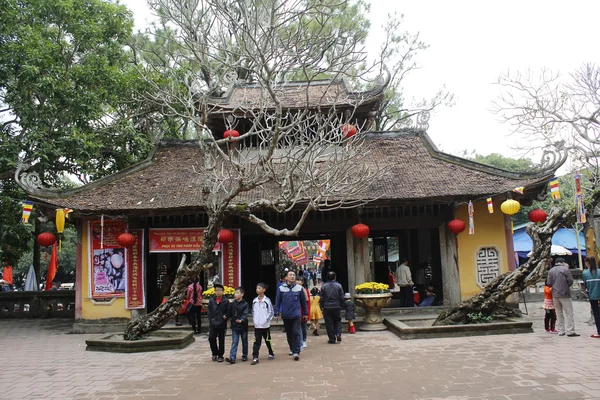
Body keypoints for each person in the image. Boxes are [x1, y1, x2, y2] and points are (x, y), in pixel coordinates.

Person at [274, 270, 308, 361]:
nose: (292, 277)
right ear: (286, 277)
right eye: (290, 275)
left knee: (296, 332)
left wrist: (305, 313)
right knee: (289, 333)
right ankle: (292, 348)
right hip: (286, 314)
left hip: (297, 314)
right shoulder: (281, 288)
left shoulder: (299, 288)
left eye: (293, 275)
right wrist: (276, 313)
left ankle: (296, 351)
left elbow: (303, 302)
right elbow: (277, 301)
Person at [547, 257, 579, 337]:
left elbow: (549, 282)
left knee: (558, 313)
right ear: (563, 262)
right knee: (569, 312)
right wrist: (566, 286)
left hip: (555, 294)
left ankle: (561, 331)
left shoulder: (551, 270)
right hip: (564, 294)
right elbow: (570, 280)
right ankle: (570, 331)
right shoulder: (565, 269)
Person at [251, 282, 275, 365]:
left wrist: (266, 320)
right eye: (257, 288)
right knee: (256, 341)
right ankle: (255, 357)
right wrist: (255, 320)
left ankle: (271, 352)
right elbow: (253, 311)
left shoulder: (267, 300)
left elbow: (271, 311)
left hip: (265, 325)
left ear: (264, 290)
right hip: (257, 325)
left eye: (259, 288)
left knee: (267, 340)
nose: (257, 290)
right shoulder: (254, 301)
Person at [320, 271, 345, 344]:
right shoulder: (339, 285)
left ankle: (332, 339)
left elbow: (321, 298)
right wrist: (341, 305)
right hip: (336, 305)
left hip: (327, 306)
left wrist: (322, 307)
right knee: (338, 320)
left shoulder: (324, 286)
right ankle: (338, 333)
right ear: (335, 277)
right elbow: (341, 297)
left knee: (329, 323)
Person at [226, 287, 249, 364]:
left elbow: (245, 314)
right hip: (235, 325)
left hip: (243, 326)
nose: (235, 295)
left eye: (237, 293)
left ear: (242, 294)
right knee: (235, 341)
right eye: (235, 293)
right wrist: (225, 315)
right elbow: (229, 312)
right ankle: (232, 357)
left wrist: (242, 320)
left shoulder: (245, 304)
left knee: (244, 341)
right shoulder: (232, 304)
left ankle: (245, 355)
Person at [207, 283, 229, 362]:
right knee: (211, 338)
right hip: (213, 322)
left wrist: (225, 317)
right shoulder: (211, 301)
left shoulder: (225, 301)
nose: (217, 292)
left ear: (223, 291)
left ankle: (220, 355)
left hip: (222, 323)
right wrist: (211, 319)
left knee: (221, 340)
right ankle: (214, 353)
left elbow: (228, 312)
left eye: (219, 290)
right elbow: (209, 310)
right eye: (216, 290)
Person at [582, 256, 600, 338]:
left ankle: (599, 331)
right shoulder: (599, 272)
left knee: (596, 313)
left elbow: (586, 285)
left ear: (587, 263)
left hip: (592, 296)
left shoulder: (585, 273)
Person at [296, 276, 311, 349]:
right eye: (297, 280)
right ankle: (300, 340)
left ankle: (304, 340)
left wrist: (306, 313)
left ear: (303, 282)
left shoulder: (305, 290)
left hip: (303, 311)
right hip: (296, 311)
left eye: (300, 280)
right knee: (298, 327)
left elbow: (307, 303)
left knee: (303, 327)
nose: (298, 282)